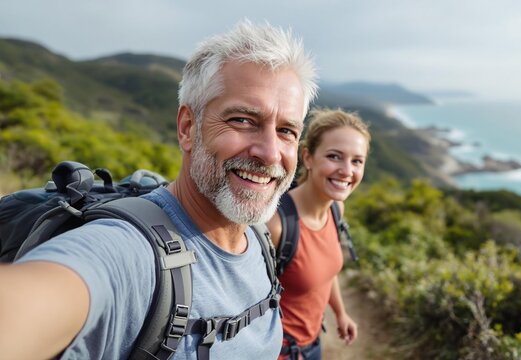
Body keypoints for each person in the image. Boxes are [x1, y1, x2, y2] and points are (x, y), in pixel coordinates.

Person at [0, 20, 318, 359]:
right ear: (187, 128)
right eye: (242, 120)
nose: (270, 153)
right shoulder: (129, 253)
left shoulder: (259, 239)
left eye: (286, 131)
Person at [267, 109, 370, 360]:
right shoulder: (277, 225)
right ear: (308, 157)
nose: (347, 171)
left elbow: (325, 271)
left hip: (313, 344)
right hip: (279, 352)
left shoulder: (336, 209)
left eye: (357, 161)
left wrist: (340, 312)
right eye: (335, 156)